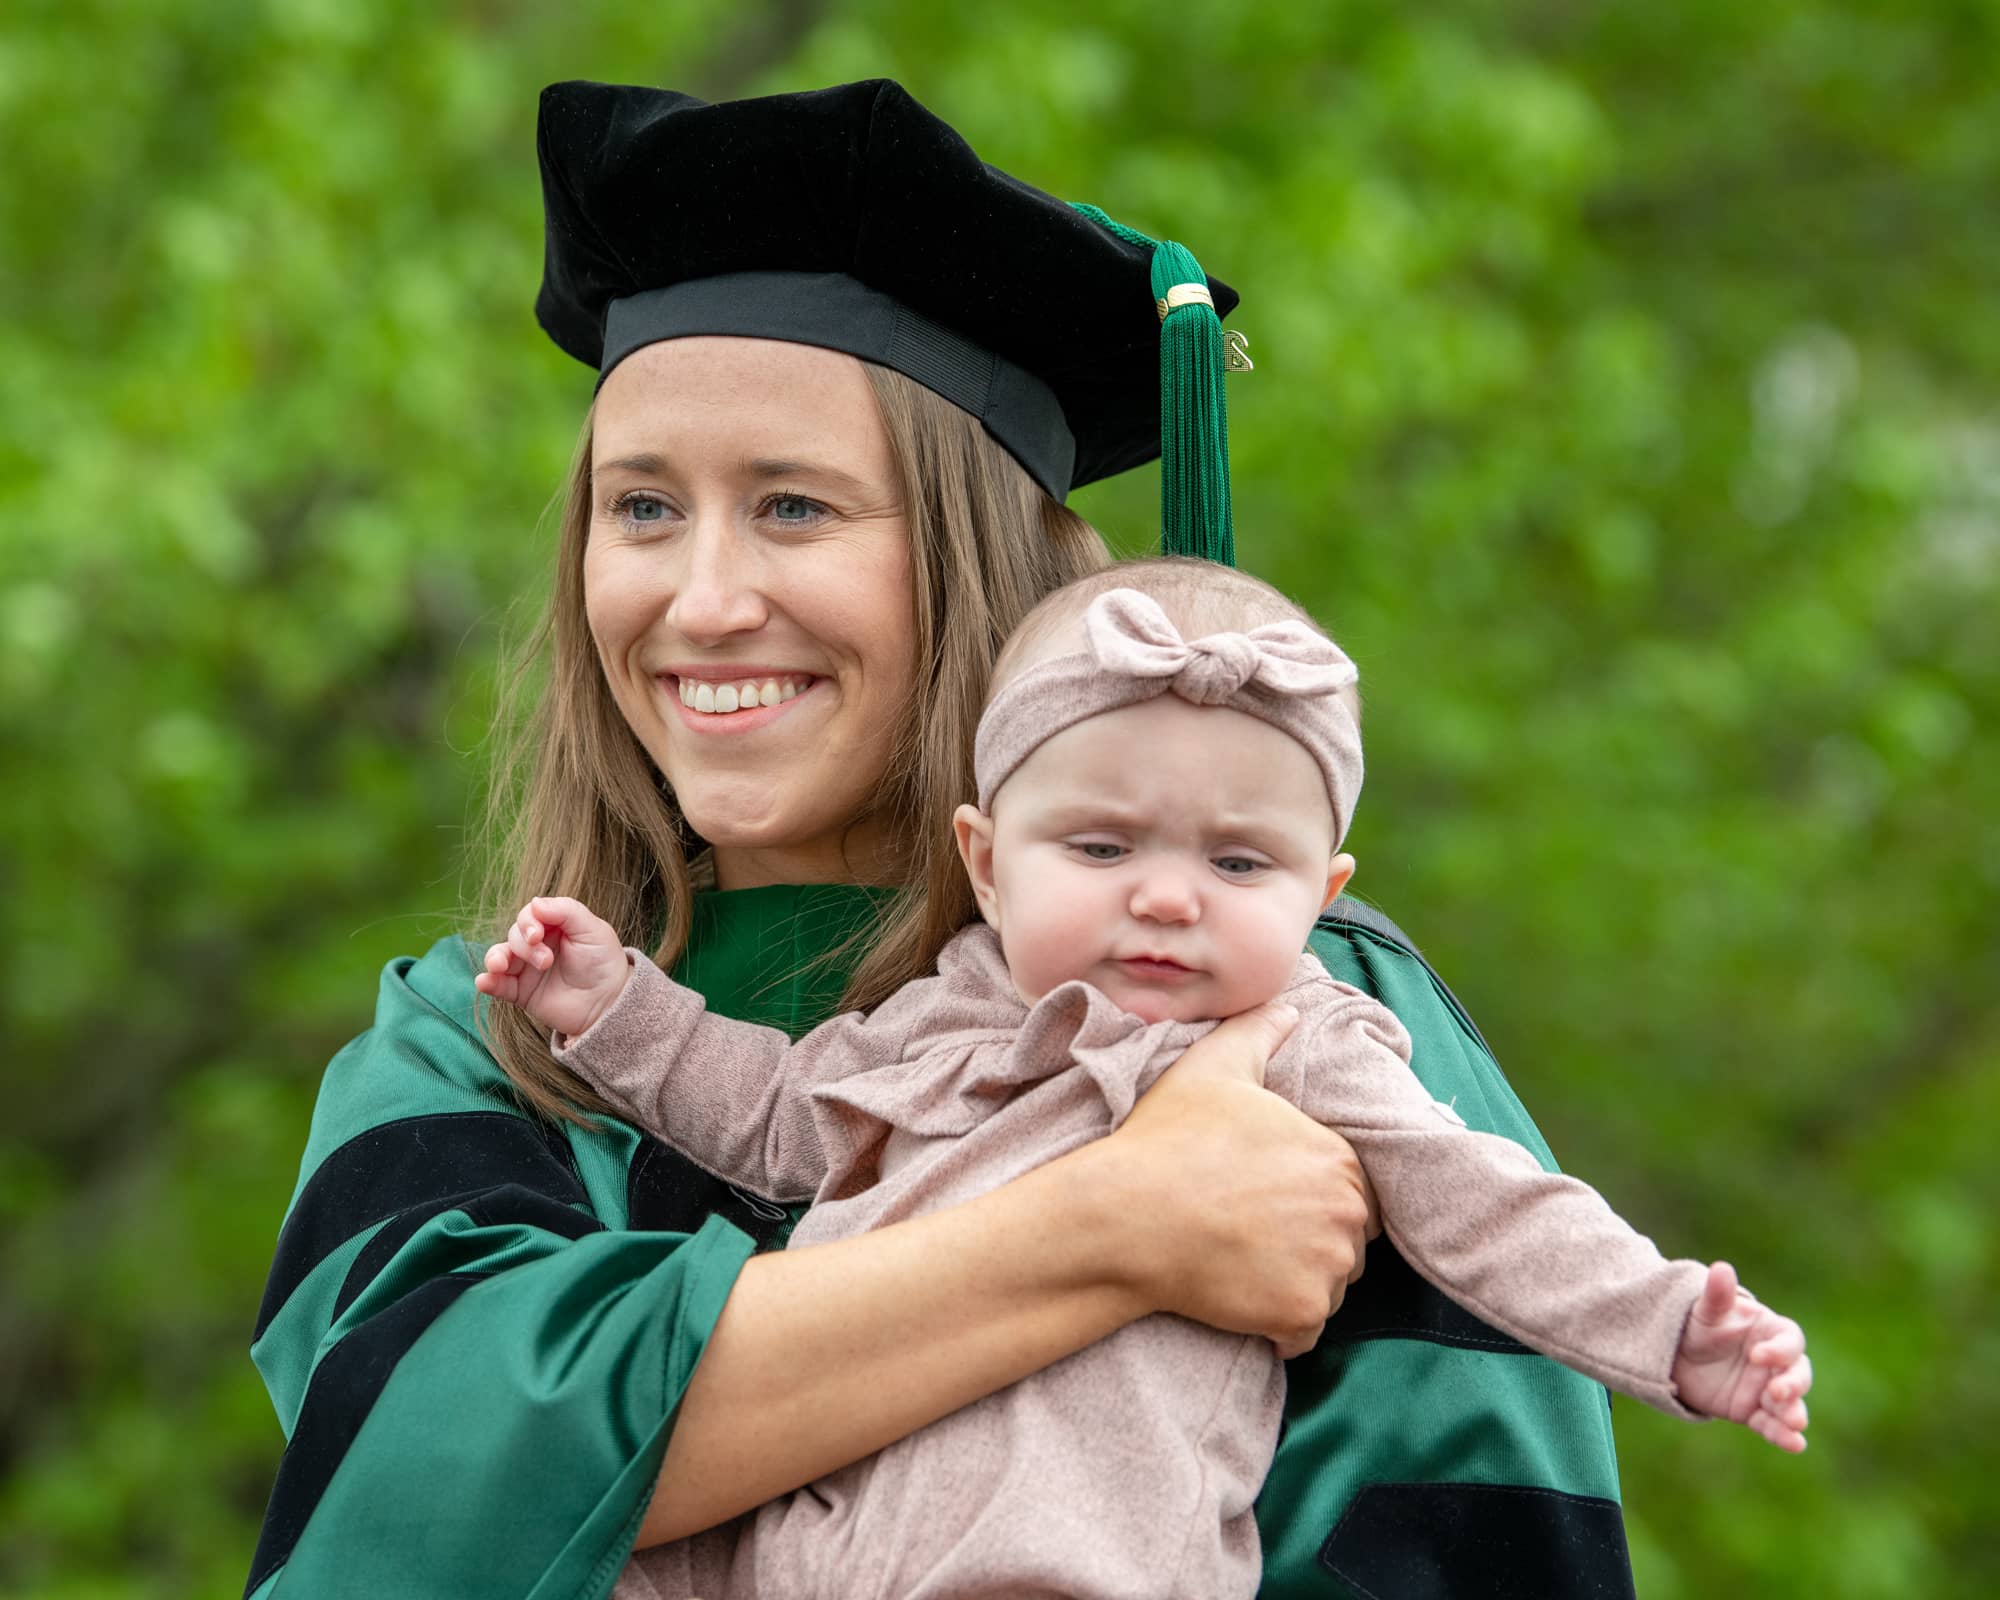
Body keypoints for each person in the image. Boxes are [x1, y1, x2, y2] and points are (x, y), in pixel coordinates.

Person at [246, 78, 1653, 1599]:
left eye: (794, 507)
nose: (703, 599)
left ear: (980, 564)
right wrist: (1113, 1227)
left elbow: (1473, 1553)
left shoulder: (1286, 1010)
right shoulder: (487, 1036)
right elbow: (406, 1503)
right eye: (643, 509)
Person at [477, 566, 1812, 1598]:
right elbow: (774, 1118)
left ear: (1322, 894)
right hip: (798, 1548)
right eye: (1103, 844)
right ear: (988, 864)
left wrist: (1669, 1329)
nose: (1168, 898)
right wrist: (612, 1008)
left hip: (1069, 1560)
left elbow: (1491, 1207)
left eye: (1239, 867)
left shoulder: (1301, 1045)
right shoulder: (941, 1020)